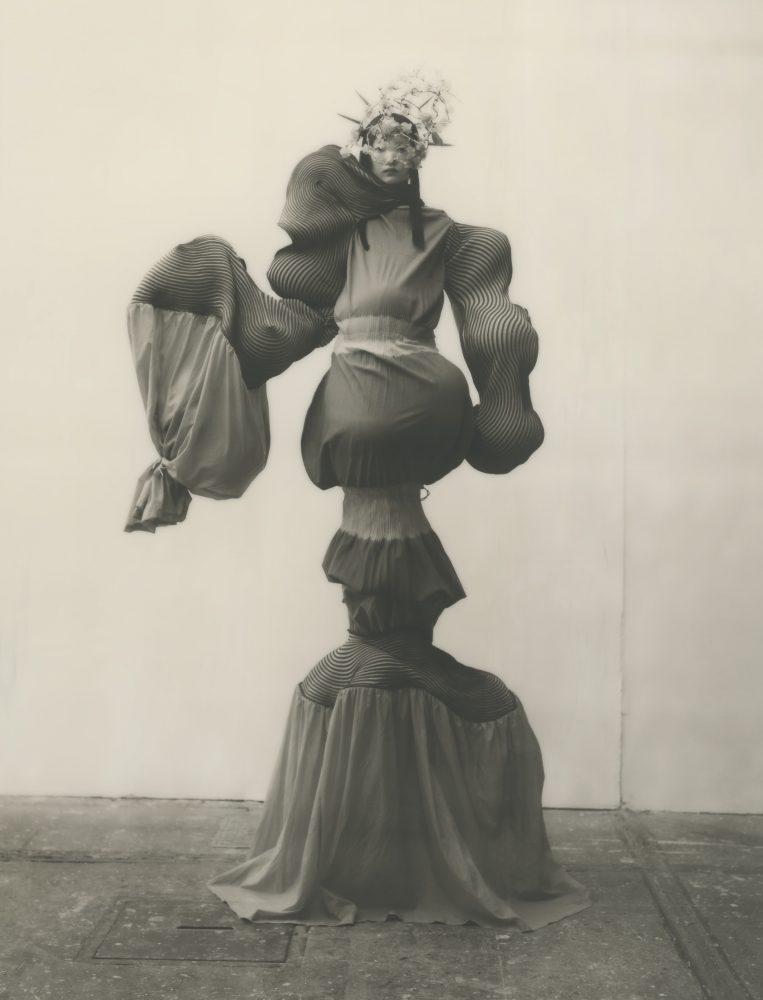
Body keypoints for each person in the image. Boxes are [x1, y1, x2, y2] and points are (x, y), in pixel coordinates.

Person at [126, 72, 591, 929]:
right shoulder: (370, 241)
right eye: (379, 137)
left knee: (373, 623)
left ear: (421, 154)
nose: (391, 150)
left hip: (382, 404)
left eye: (404, 140)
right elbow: (302, 317)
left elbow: (485, 329)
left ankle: (378, 777)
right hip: (390, 407)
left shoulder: (448, 239)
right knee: (385, 621)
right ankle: (396, 788)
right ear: (363, 146)